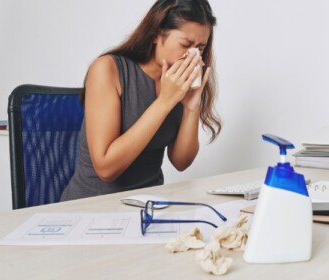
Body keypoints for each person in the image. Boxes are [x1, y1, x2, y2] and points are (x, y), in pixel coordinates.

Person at [61, 0, 221, 201]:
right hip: (93, 206)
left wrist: (191, 107)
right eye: (186, 45)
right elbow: (106, 169)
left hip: (148, 206)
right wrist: (164, 102)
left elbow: (181, 162)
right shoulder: (107, 70)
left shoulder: (178, 83)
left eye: (200, 48)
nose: (193, 56)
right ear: (156, 35)